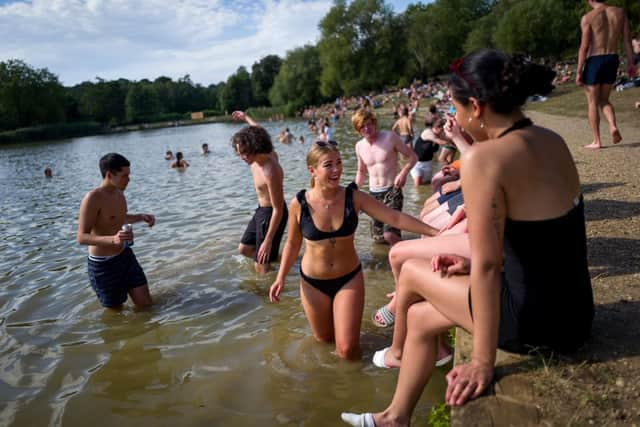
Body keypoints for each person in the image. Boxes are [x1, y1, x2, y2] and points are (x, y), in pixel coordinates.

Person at [342, 49, 593, 426]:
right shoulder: (551, 139)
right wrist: (469, 263)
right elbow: (548, 239)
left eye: (456, 109)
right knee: (423, 317)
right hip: (576, 311)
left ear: (475, 107)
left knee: (411, 268)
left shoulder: (483, 160)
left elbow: (490, 266)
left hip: (537, 322)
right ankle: (395, 417)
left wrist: (481, 361)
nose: (455, 119)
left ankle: (397, 399)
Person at [269, 141, 438, 360]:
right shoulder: (299, 203)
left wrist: (435, 232)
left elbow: (393, 217)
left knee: (347, 350)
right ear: (313, 170)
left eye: (339, 163)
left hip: (348, 279)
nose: (337, 169)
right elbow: (292, 244)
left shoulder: (354, 197)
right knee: (324, 341)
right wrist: (280, 277)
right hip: (312, 283)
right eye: (328, 165)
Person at [77, 153, 156, 309]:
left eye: (129, 175)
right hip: (103, 266)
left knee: (146, 306)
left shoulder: (120, 193)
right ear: (109, 174)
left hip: (125, 256)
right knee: (116, 315)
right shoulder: (92, 198)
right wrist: (112, 239)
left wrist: (141, 217)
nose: (129, 179)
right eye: (124, 175)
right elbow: (81, 237)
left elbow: (118, 217)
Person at [231, 110, 288, 274]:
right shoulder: (259, 155)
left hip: (272, 213)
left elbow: (278, 209)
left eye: (243, 153)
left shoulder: (270, 170)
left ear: (254, 147)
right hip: (261, 210)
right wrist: (246, 117)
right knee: (244, 249)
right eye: (239, 153)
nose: (241, 157)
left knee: (260, 264)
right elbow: (258, 130)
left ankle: (268, 293)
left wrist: (268, 240)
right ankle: (279, 260)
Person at [576, 0, 637, 149]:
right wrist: (631, 64)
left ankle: (596, 141)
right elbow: (628, 41)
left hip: (594, 60)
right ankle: (612, 126)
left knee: (592, 102)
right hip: (612, 58)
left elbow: (584, 47)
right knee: (604, 99)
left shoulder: (588, 18)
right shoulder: (620, 12)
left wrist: (578, 71)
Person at [352, 109, 418, 246]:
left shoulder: (390, 137)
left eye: (369, 124)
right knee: (378, 240)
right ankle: (389, 263)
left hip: (392, 190)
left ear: (374, 123)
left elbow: (413, 157)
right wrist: (353, 190)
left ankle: (411, 255)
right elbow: (361, 171)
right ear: (358, 129)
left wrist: (403, 173)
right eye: (362, 126)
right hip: (373, 195)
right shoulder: (359, 146)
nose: (367, 128)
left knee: (389, 235)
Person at [409, 117, 447, 186]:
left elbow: (446, 140)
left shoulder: (438, 134)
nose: (443, 132)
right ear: (436, 128)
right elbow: (441, 142)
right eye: (442, 130)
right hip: (416, 163)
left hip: (428, 163)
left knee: (427, 185)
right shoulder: (428, 132)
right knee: (418, 185)